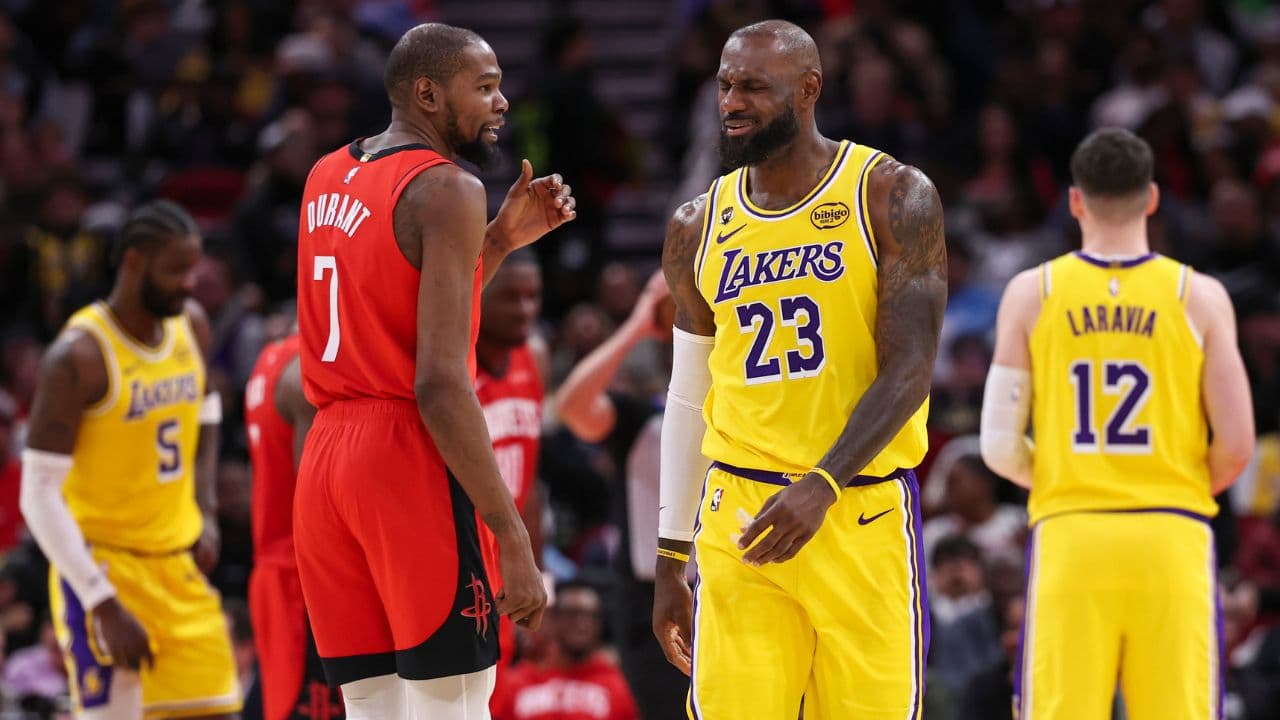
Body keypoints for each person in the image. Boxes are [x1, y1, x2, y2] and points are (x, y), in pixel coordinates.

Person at [654, 20, 947, 719]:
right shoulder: (697, 224)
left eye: (753, 86)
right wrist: (670, 557)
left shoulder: (891, 194)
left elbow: (911, 368)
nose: (732, 102)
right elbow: (691, 393)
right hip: (740, 522)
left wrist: (822, 482)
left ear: (808, 90)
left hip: (858, 510)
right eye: (725, 85)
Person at [293, 22, 575, 719]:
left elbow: (394, 311)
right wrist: (513, 537)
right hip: (404, 455)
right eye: (483, 87)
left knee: (374, 711)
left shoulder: (326, 173)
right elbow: (439, 381)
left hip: (328, 461)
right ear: (427, 93)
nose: (501, 102)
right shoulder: (447, 187)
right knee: (452, 706)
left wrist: (501, 242)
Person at [980, 128, 1256, 719]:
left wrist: (1070, 477)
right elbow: (1235, 445)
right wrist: (1163, 485)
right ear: (1153, 198)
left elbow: (999, 446)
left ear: (1075, 199)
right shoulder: (1201, 296)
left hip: (1072, 533)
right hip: (1171, 534)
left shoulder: (1033, 291)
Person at [21, 199, 241, 718]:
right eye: (176, 271)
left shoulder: (192, 325)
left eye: (195, 269)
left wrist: (204, 504)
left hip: (176, 568)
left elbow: (207, 408)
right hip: (103, 571)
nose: (191, 284)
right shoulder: (79, 356)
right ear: (134, 262)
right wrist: (100, 600)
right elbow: (37, 495)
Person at [554, 269, 686, 720]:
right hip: (648, 604)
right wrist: (637, 326)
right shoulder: (637, 418)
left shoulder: (746, 408)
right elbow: (571, 406)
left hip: (730, 593)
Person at [245, 333, 344, 720]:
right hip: (306, 582)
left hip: (277, 572)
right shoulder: (307, 372)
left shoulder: (271, 356)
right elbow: (321, 506)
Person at [473, 249, 548, 677]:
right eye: (510, 297)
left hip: (509, 561)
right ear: (478, 294)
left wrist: (540, 577)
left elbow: (532, 484)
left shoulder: (534, 358)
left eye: (533, 297)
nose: (526, 310)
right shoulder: (453, 368)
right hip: (463, 556)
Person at [489, 581, 639, 720]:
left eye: (591, 616)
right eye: (572, 614)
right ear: (554, 619)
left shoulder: (618, 685)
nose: (582, 624)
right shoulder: (517, 681)